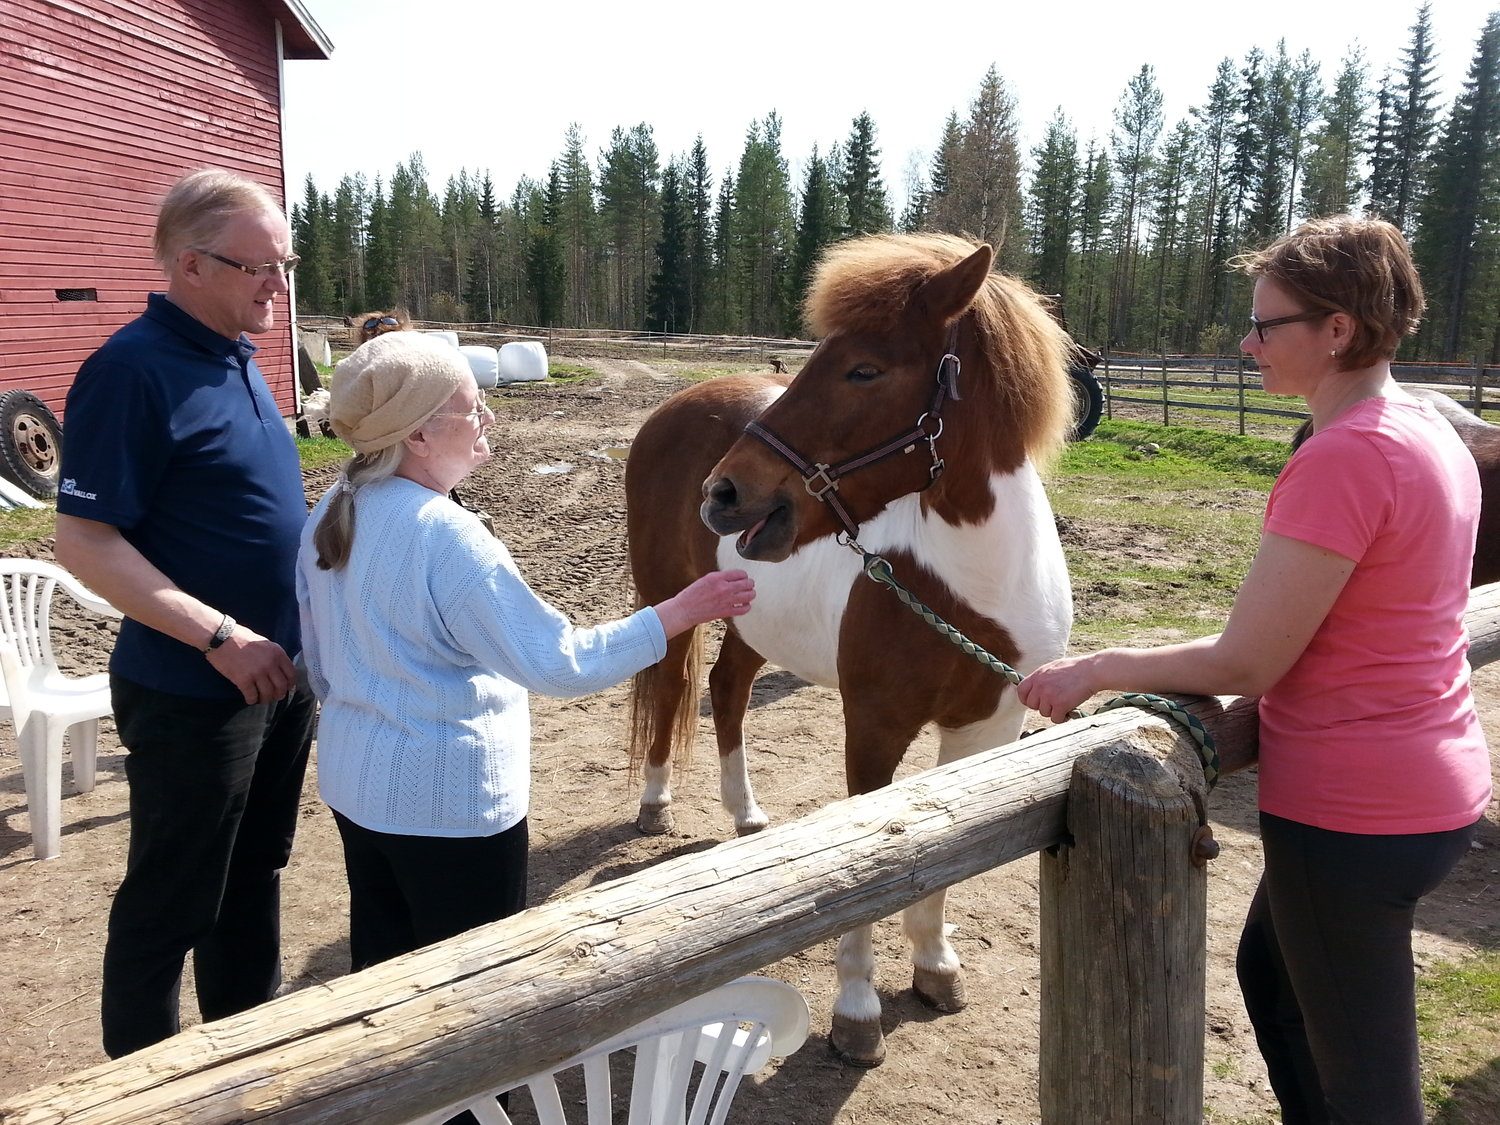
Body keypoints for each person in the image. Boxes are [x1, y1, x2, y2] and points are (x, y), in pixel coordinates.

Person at [1018, 215, 1491, 1124]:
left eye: (1267, 325)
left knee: (1370, 1090)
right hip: (1429, 788)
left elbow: (1249, 659)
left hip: (1353, 812)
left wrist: (1099, 667)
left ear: (1339, 329)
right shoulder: (1432, 431)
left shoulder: (1346, 456)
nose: (1246, 343)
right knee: (1271, 979)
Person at [295, 331, 754, 978]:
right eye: (471, 404)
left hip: (357, 789)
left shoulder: (332, 509)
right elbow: (558, 662)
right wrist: (679, 611)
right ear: (418, 436)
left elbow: (318, 659)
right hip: (450, 812)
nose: (489, 415)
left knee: (384, 971)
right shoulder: (447, 537)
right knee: (474, 997)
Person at [53, 169, 317, 1057]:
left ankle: (243, 1065)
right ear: (192, 265)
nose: (278, 286)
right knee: (172, 901)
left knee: (254, 879)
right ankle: (143, 1089)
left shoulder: (237, 353)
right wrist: (218, 634)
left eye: (285, 263)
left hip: (279, 677)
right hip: (194, 686)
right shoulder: (131, 369)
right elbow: (85, 541)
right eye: (260, 268)